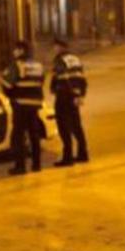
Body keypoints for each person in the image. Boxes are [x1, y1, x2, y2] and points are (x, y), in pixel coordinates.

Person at [2, 41, 45, 175]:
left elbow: (6, 85)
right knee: (34, 135)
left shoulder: (16, 65)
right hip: (34, 105)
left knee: (18, 136)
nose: (14, 52)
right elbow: (40, 82)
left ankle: (20, 166)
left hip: (20, 105)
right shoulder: (38, 65)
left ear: (21, 51)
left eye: (15, 50)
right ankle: (36, 165)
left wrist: (11, 96)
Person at [50, 38, 89, 166]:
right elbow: (82, 78)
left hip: (64, 95)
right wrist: (80, 94)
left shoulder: (60, 60)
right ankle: (83, 154)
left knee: (63, 126)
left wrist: (53, 87)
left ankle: (68, 157)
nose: (54, 49)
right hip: (75, 96)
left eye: (55, 47)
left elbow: (60, 77)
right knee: (76, 125)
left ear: (60, 47)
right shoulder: (75, 59)